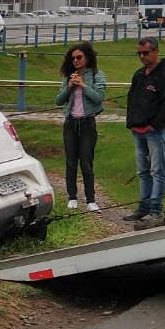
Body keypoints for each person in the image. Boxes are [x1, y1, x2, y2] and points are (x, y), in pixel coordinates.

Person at [125, 36, 165, 229]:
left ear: (156, 51)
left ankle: (155, 209)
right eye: (139, 53)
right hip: (138, 129)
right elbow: (131, 98)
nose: (142, 57)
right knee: (143, 171)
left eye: (146, 53)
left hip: (155, 131)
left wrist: (155, 125)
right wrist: (131, 123)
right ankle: (144, 206)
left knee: (157, 170)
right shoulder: (139, 74)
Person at [56, 42, 107, 212]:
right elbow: (59, 100)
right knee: (71, 162)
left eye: (79, 57)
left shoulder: (97, 75)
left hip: (87, 123)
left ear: (87, 57)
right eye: (73, 58)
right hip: (70, 122)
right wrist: (70, 86)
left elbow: (99, 98)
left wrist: (83, 85)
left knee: (86, 161)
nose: (76, 61)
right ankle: (72, 197)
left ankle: (91, 199)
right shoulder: (68, 77)